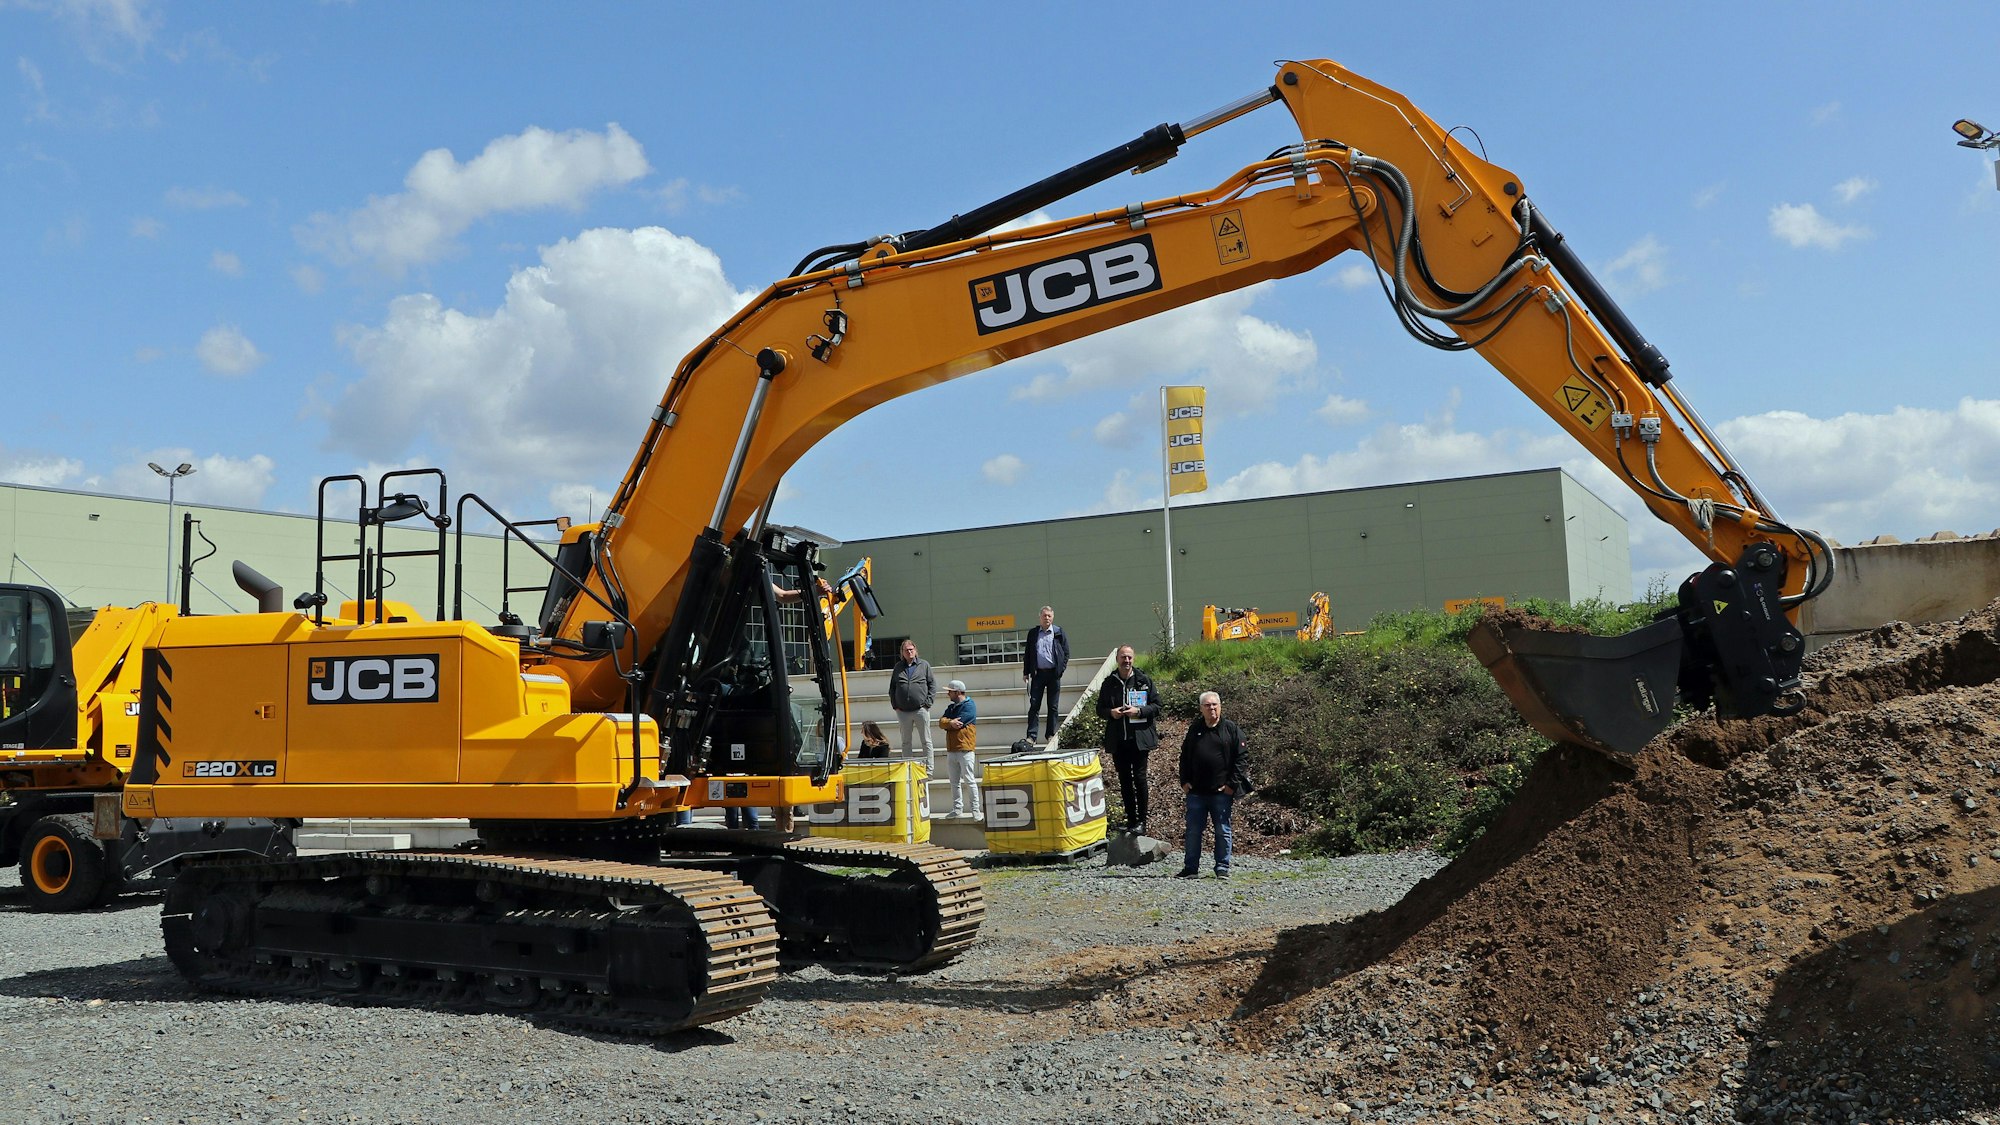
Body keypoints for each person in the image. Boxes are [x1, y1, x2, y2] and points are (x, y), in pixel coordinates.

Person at [1176, 690, 1250, 880]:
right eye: (1207, 705)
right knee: (1193, 831)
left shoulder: (1231, 729)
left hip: (1221, 793)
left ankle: (1222, 868)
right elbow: (1184, 756)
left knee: (1222, 831)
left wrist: (1231, 785)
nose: (1212, 709)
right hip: (1196, 793)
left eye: (1214, 705)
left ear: (1220, 706)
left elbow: (1241, 759)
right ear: (1201, 709)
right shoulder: (1195, 729)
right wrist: (1184, 780)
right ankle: (1190, 868)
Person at [1095, 644, 1161, 835]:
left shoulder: (1144, 681)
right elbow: (1099, 709)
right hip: (1119, 740)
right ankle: (1131, 820)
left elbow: (1157, 706)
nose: (1127, 661)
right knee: (1124, 780)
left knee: (1140, 779)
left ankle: (1142, 821)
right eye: (1123, 657)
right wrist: (1111, 713)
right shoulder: (1109, 683)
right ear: (1117, 659)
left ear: (1134, 659)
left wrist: (1139, 711)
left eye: (1130, 657)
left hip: (1139, 740)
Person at [1021, 605, 1069, 742]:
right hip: (1038, 675)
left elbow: (1066, 653)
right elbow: (1028, 653)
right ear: (1040, 617)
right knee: (1034, 705)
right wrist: (1026, 672)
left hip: (1054, 675)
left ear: (1052, 617)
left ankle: (1050, 734)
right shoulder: (1033, 633)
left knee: (1053, 706)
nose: (1046, 618)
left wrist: (1061, 669)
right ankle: (1032, 736)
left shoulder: (1059, 632)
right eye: (1044, 615)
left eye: (1049, 615)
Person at [888, 639, 936, 762]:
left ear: (915, 651)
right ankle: (908, 769)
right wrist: (895, 705)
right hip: (903, 711)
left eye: (911, 649)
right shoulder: (898, 667)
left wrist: (928, 703)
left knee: (926, 741)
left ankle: (928, 770)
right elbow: (892, 687)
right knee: (906, 742)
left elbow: (932, 685)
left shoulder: (924, 665)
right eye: (906, 650)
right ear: (902, 653)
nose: (909, 652)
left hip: (920, 709)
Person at [938, 679, 980, 818]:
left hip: (965, 749)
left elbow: (960, 723)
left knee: (969, 780)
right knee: (954, 782)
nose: (948, 694)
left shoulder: (969, 706)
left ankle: (975, 810)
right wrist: (950, 722)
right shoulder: (951, 708)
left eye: (950, 691)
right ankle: (957, 809)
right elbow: (942, 722)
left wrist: (948, 722)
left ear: (957, 692)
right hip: (952, 749)